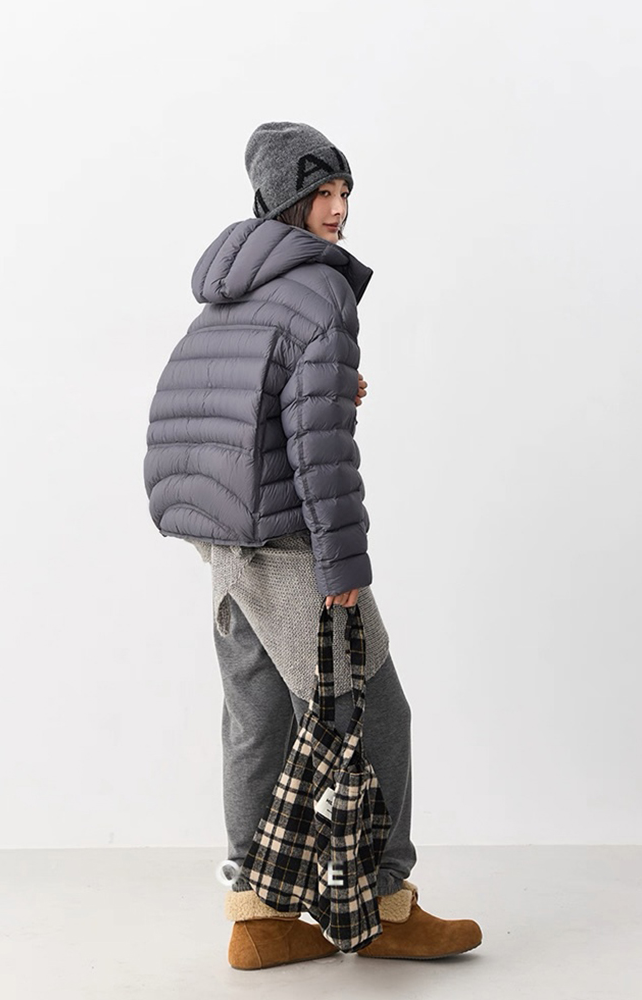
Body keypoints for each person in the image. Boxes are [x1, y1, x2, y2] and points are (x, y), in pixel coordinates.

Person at [143, 121, 482, 970]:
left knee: (258, 719)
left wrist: (326, 387)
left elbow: (226, 398)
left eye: (343, 193)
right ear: (283, 201)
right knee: (377, 713)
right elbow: (320, 450)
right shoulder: (321, 289)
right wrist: (340, 565)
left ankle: (259, 917)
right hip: (289, 538)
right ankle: (386, 904)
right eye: (320, 193)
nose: (337, 210)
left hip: (225, 538)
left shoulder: (233, 287)